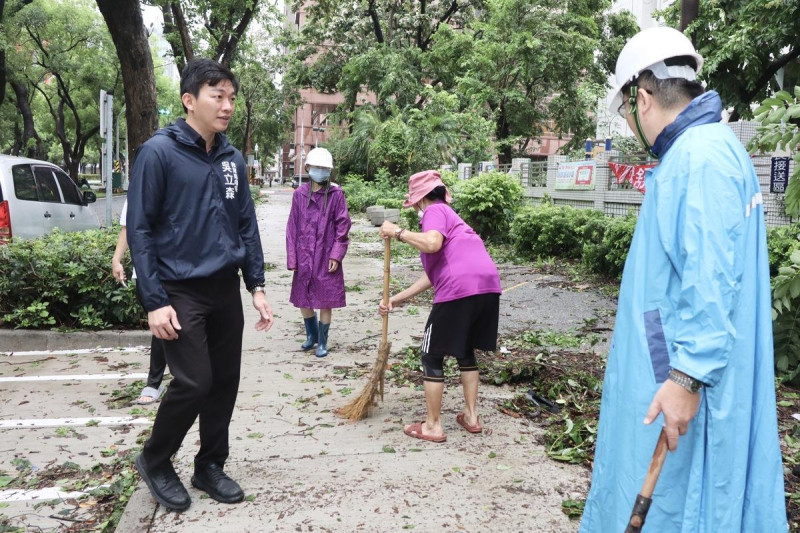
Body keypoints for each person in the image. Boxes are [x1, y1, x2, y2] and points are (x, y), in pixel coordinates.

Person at [580, 27, 787, 531]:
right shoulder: (707, 149)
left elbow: (710, 280)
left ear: (643, 97)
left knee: (680, 503)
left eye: (627, 115)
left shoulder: (699, 158)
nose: (632, 130)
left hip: (678, 376)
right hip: (675, 365)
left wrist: (687, 378)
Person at [126, 58, 274, 512]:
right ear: (190, 101)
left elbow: (245, 222)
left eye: (231, 97)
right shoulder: (158, 153)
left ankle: (209, 464)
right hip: (179, 289)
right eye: (217, 96)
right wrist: (154, 301)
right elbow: (140, 229)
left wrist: (256, 284)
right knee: (193, 380)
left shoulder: (231, 158)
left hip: (224, 287)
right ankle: (154, 458)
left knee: (224, 381)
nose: (227, 106)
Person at [378, 170, 501, 442]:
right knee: (465, 350)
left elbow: (432, 244)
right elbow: (434, 275)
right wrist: (397, 299)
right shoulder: (454, 219)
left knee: (431, 355)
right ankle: (471, 416)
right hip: (487, 286)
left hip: (460, 289)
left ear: (420, 199)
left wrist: (397, 232)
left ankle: (432, 426)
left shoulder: (435, 211)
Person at [286, 147, 351, 358]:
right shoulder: (299, 195)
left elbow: (343, 226)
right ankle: (311, 336)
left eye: (324, 168)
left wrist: (336, 254)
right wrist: (292, 257)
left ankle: (323, 341)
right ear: (308, 168)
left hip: (325, 254)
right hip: (304, 253)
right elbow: (292, 227)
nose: (320, 171)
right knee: (303, 298)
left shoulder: (336, 194)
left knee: (325, 299)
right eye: (317, 167)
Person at [111, 199, 167, 405]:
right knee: (162, 328)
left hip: (183, 272)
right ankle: (155, 383)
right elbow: (129, 226)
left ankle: (164, 381)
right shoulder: (140, 186)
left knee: (178, 327)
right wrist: (117, 259)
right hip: (148, 274)